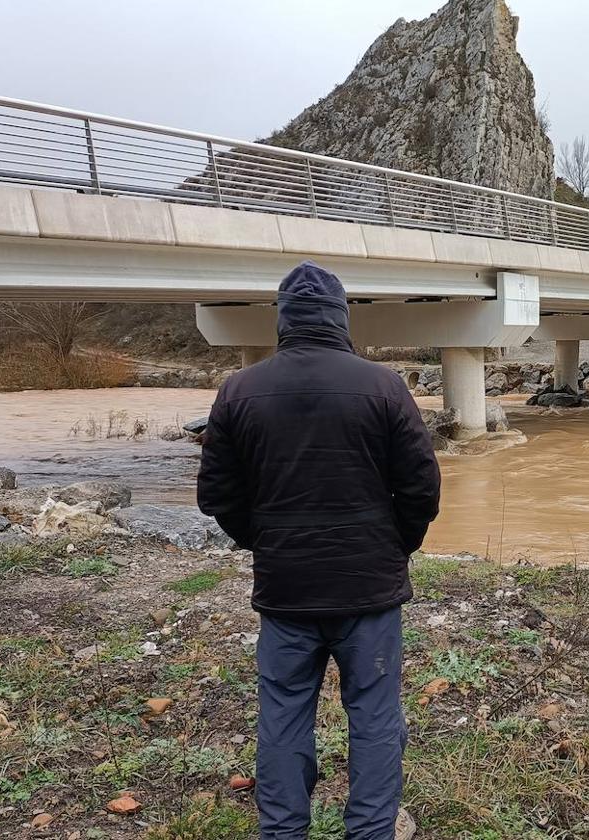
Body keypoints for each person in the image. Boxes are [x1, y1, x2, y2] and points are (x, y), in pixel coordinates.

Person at [198, 261, 441, 840]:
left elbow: (216, 495)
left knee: (282, 717)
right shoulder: (384, 386)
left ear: (283, 320)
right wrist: (394, 545)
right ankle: (370, 832)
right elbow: (421, 488)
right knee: (375, 717)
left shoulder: (238, 390)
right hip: (369, 592)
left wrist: (263, 541)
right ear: (340, 318)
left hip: (286, 590)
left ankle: (282, 833)